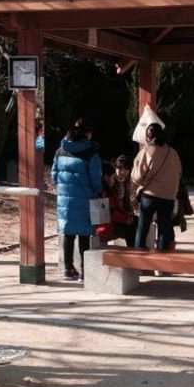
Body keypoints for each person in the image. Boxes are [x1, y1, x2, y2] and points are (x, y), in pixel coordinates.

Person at [51, 117, 101, 281]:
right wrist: (97, 191)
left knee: (69, 233)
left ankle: (68, 269)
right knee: (84, 234)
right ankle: (84, 271)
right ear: (87, 134)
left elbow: (54, 175)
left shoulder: (60, 151)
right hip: (84, 199)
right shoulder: (91, 154)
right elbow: (95, 179)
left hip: (64, 199)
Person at [131, 122, 182, 251]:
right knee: (164, 229)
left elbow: (136, 177)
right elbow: (179, 173)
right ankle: (161, 259)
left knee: (143, 228)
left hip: (150, 196)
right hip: (169, 197)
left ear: (148, 137)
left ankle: (139, 257)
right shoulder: (173, 153)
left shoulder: (147, 151)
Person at [95, 162, 136, 246]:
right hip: (104, 226)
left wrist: (127, 215)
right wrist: (125, 219)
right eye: (113, 178)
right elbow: (109, 213)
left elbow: (117, 207)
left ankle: (136, 247)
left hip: (111, 222)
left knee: (135, 222)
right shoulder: (102, 193)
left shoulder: (110, 190)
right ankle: (134, 248)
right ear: (106, 177)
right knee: (130, 229)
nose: (114, 181)